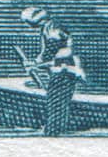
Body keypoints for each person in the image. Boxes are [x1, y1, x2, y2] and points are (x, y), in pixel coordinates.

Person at [20, 7, 85, 136]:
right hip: (64, 72)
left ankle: (53, 134)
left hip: (63, 73)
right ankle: (55, 132)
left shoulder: (52, 29)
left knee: (56, 105)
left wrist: (37, 64)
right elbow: (47, 54)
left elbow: (53, 53)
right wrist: (35, 63)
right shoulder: (50, 27)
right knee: (58, 106)